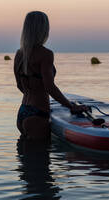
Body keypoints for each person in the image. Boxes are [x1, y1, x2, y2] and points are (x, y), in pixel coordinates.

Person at [14, 11, 88, 140]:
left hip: (23, 111)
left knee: (26, 157)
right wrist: (71, 106)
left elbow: (20, 86)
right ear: (43, 30)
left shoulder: (20, 54)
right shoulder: (46, 54)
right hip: (38, 114)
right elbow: (50, 87)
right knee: (40, 159)